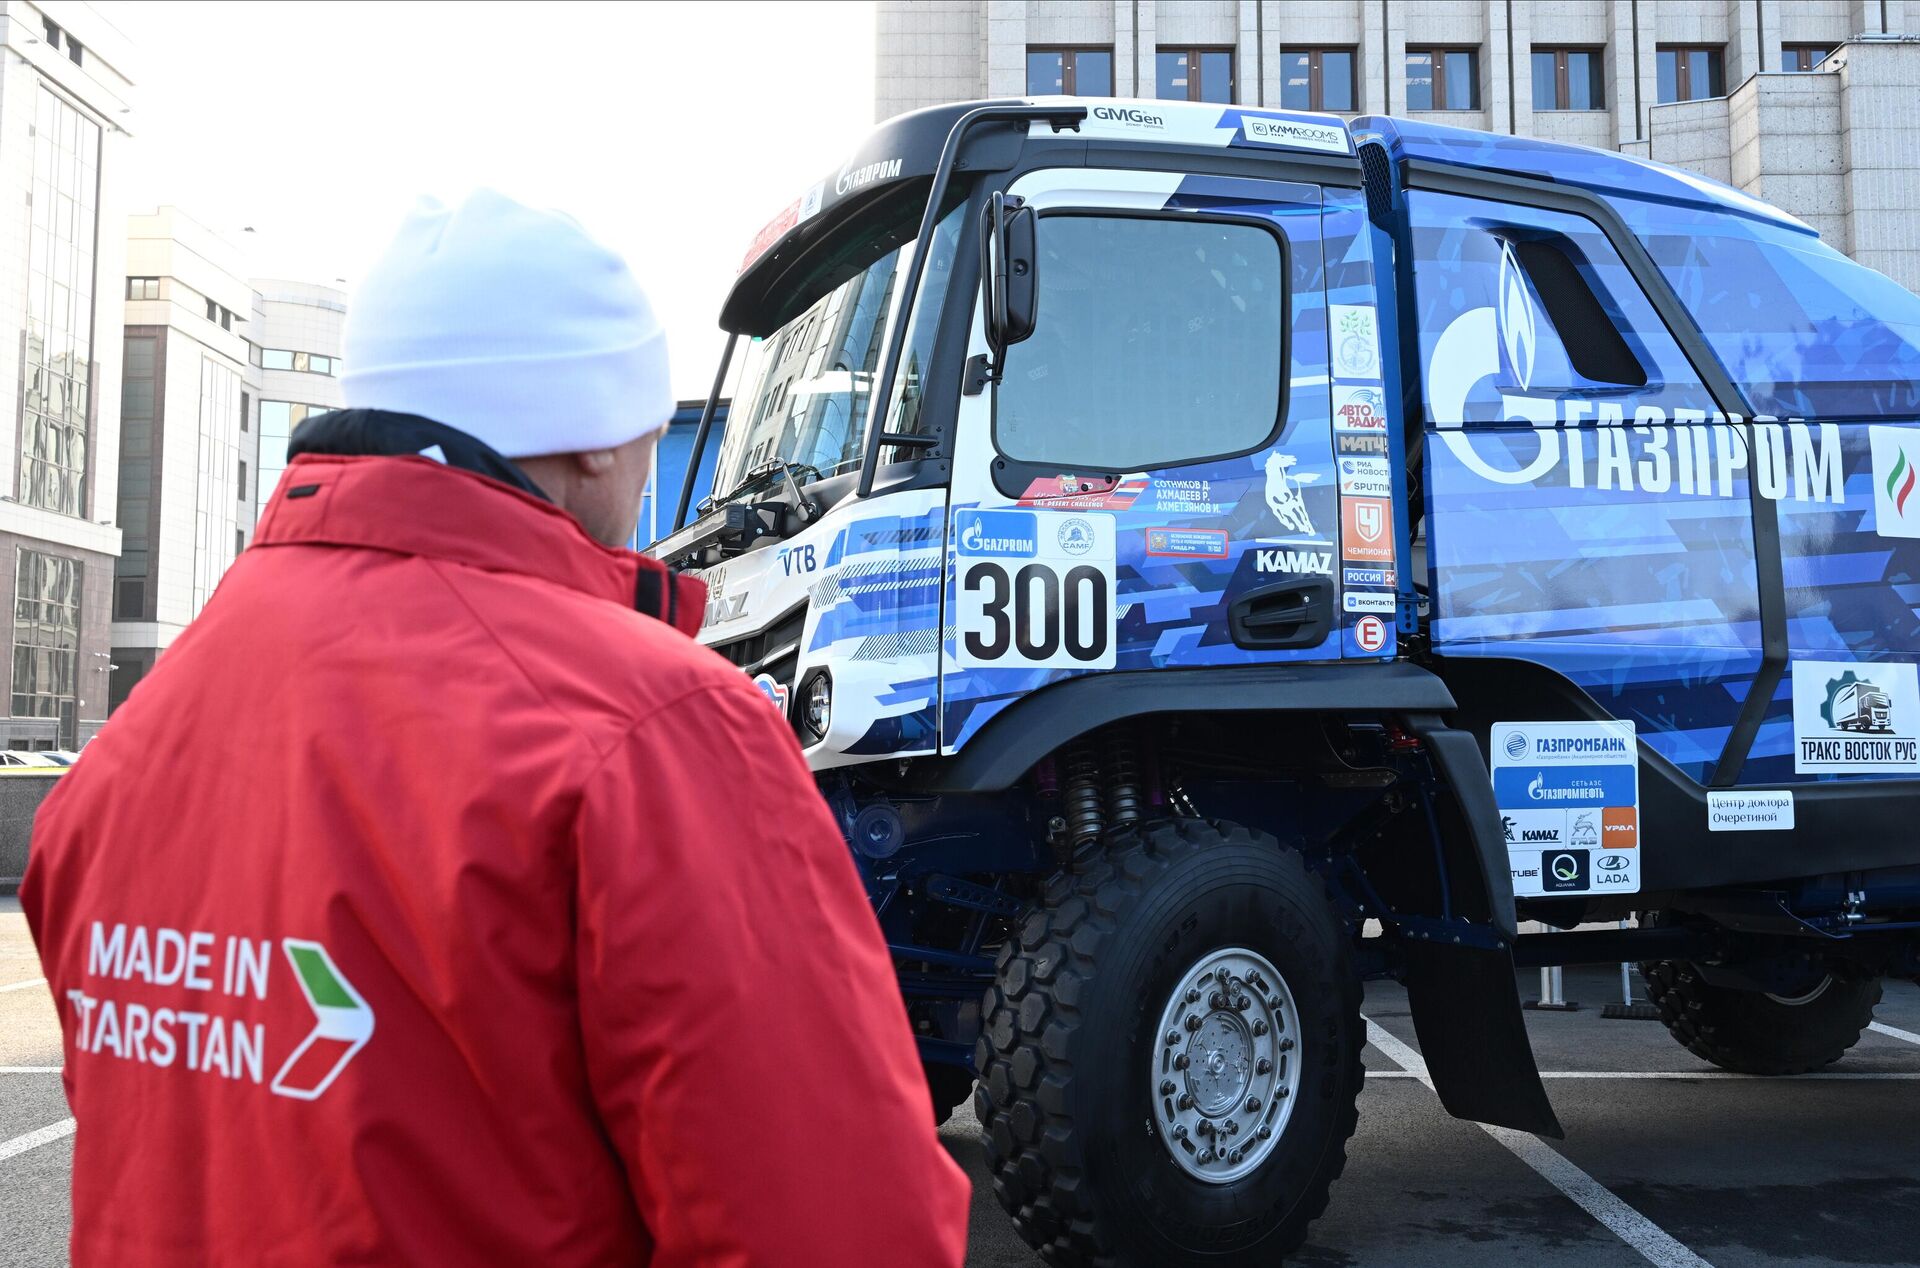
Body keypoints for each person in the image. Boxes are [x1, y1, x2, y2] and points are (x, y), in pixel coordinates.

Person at [22, 190, 970, 1267]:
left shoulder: (135, 744)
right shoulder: (650, 729)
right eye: (649, 435)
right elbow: (838, 1227)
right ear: (592, 444)